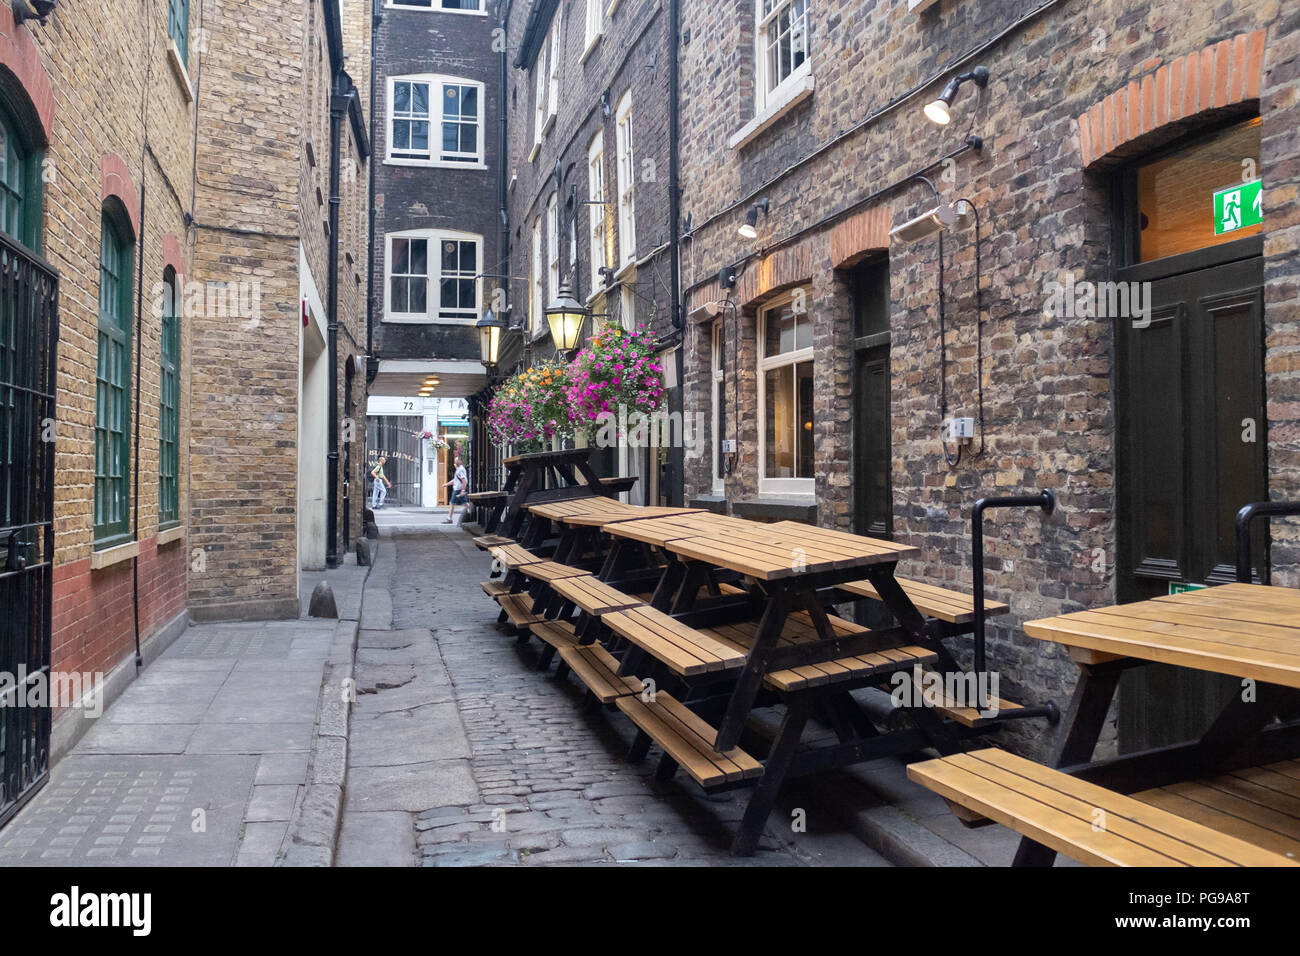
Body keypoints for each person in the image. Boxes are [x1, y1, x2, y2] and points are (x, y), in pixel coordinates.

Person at [443, 453, 468, 524]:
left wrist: (462, 490)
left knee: (452, 503)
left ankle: (449, 518)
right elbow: (455, 480)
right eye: (455, 461)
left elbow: (464, 480)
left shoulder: (460, 470)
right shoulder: (459, 469)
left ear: (460, 462)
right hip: (458, 489)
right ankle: (471, 512)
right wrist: (447, 484)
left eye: (456, 461)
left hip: (458, 489)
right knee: (465, 503)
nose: (455, 463)